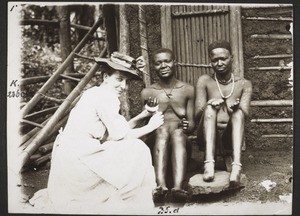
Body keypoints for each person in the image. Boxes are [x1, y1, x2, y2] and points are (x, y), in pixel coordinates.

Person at [29, 52, 164, 214]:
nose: (123, 86)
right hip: (78, 160)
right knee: (138, 148)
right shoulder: (106, 97)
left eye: (126, 82)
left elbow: (118, 131)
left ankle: (123, 193)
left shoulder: (94, 92)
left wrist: (144, 114)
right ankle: (130, 197)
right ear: (106, 77)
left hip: (70, 156)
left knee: (125, 148)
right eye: (119, 79)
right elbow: (121, 136)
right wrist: (151, 126)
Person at [195, 40, 252, 186]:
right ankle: (209, 163)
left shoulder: (244, 83)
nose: (219, 63)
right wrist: (209, 104)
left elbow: (245, 115)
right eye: (215, 60)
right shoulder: (204, 81)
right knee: (209, 108)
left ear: (231, 58)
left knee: (238, 114)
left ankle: (236, 166)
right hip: (207, 136)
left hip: (230, 137)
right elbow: (196, 116)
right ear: (210, 62)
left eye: (223, 59)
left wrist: (236, 109)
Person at [141, 48, 195, 201]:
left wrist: (187, 126)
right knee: (162, 130)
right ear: (154, 67)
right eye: (158, 63)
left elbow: (191, 126)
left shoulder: (188, 89)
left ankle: (178, 187)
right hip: (157, 143)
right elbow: (146, 127)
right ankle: (160, 186)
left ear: (174, 63)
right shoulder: (148, 92)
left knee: (178, 134)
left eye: (167, 61)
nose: (163, 66)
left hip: (180, 143)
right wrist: (150, 114)